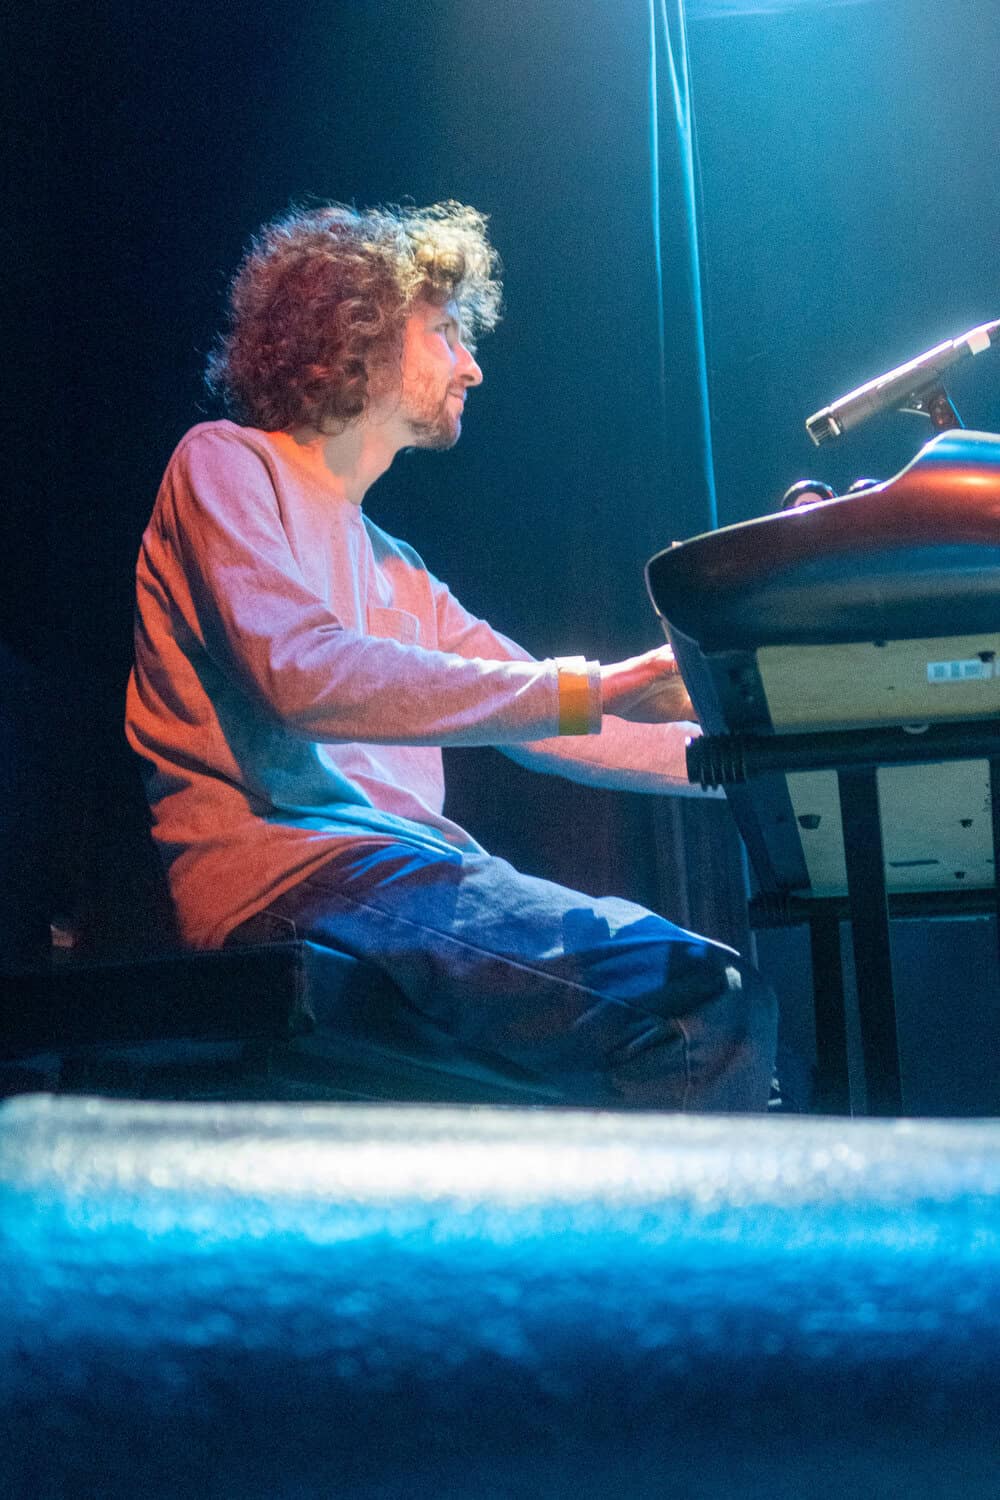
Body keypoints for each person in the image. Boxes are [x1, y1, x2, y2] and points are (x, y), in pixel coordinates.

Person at [125, 200, 776, 1110]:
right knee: (694, 1004)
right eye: (444, 333)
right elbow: (301, 672)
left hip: (399, 877)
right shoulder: (226, 465)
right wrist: (596, 688)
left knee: (708, 995)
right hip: (297, 878)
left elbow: (547, 723)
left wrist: (769, 757)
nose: (471, 364)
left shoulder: (399, 567)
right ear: (353, 337)